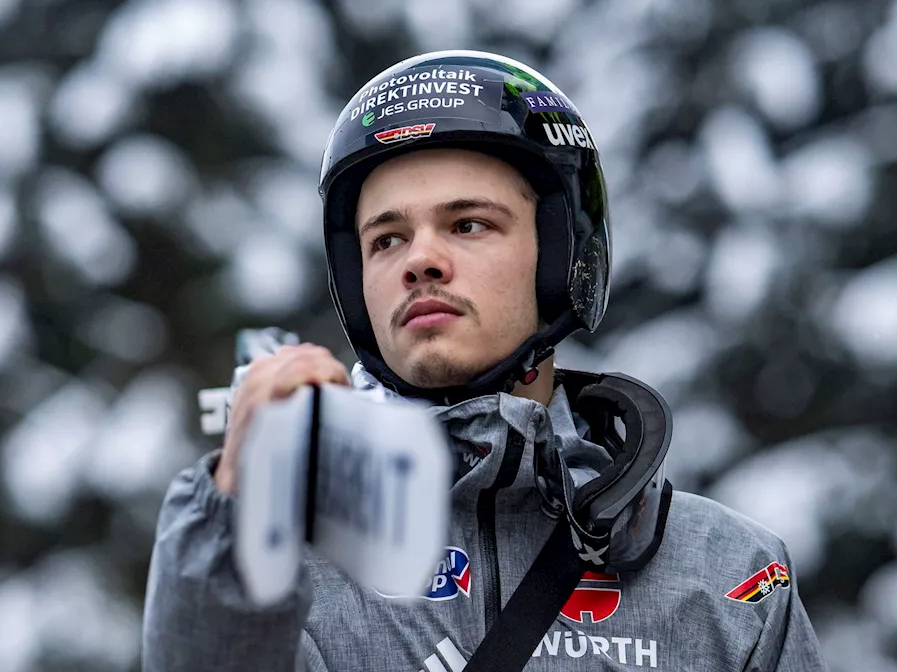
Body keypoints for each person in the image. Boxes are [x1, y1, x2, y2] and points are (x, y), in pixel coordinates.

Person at [142, 50, 825, 671]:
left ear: (561, 258)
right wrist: (235, 519)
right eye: (386, 240)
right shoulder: (280, 567)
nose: (421, 261)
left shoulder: (731, 578)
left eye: (469, 224)